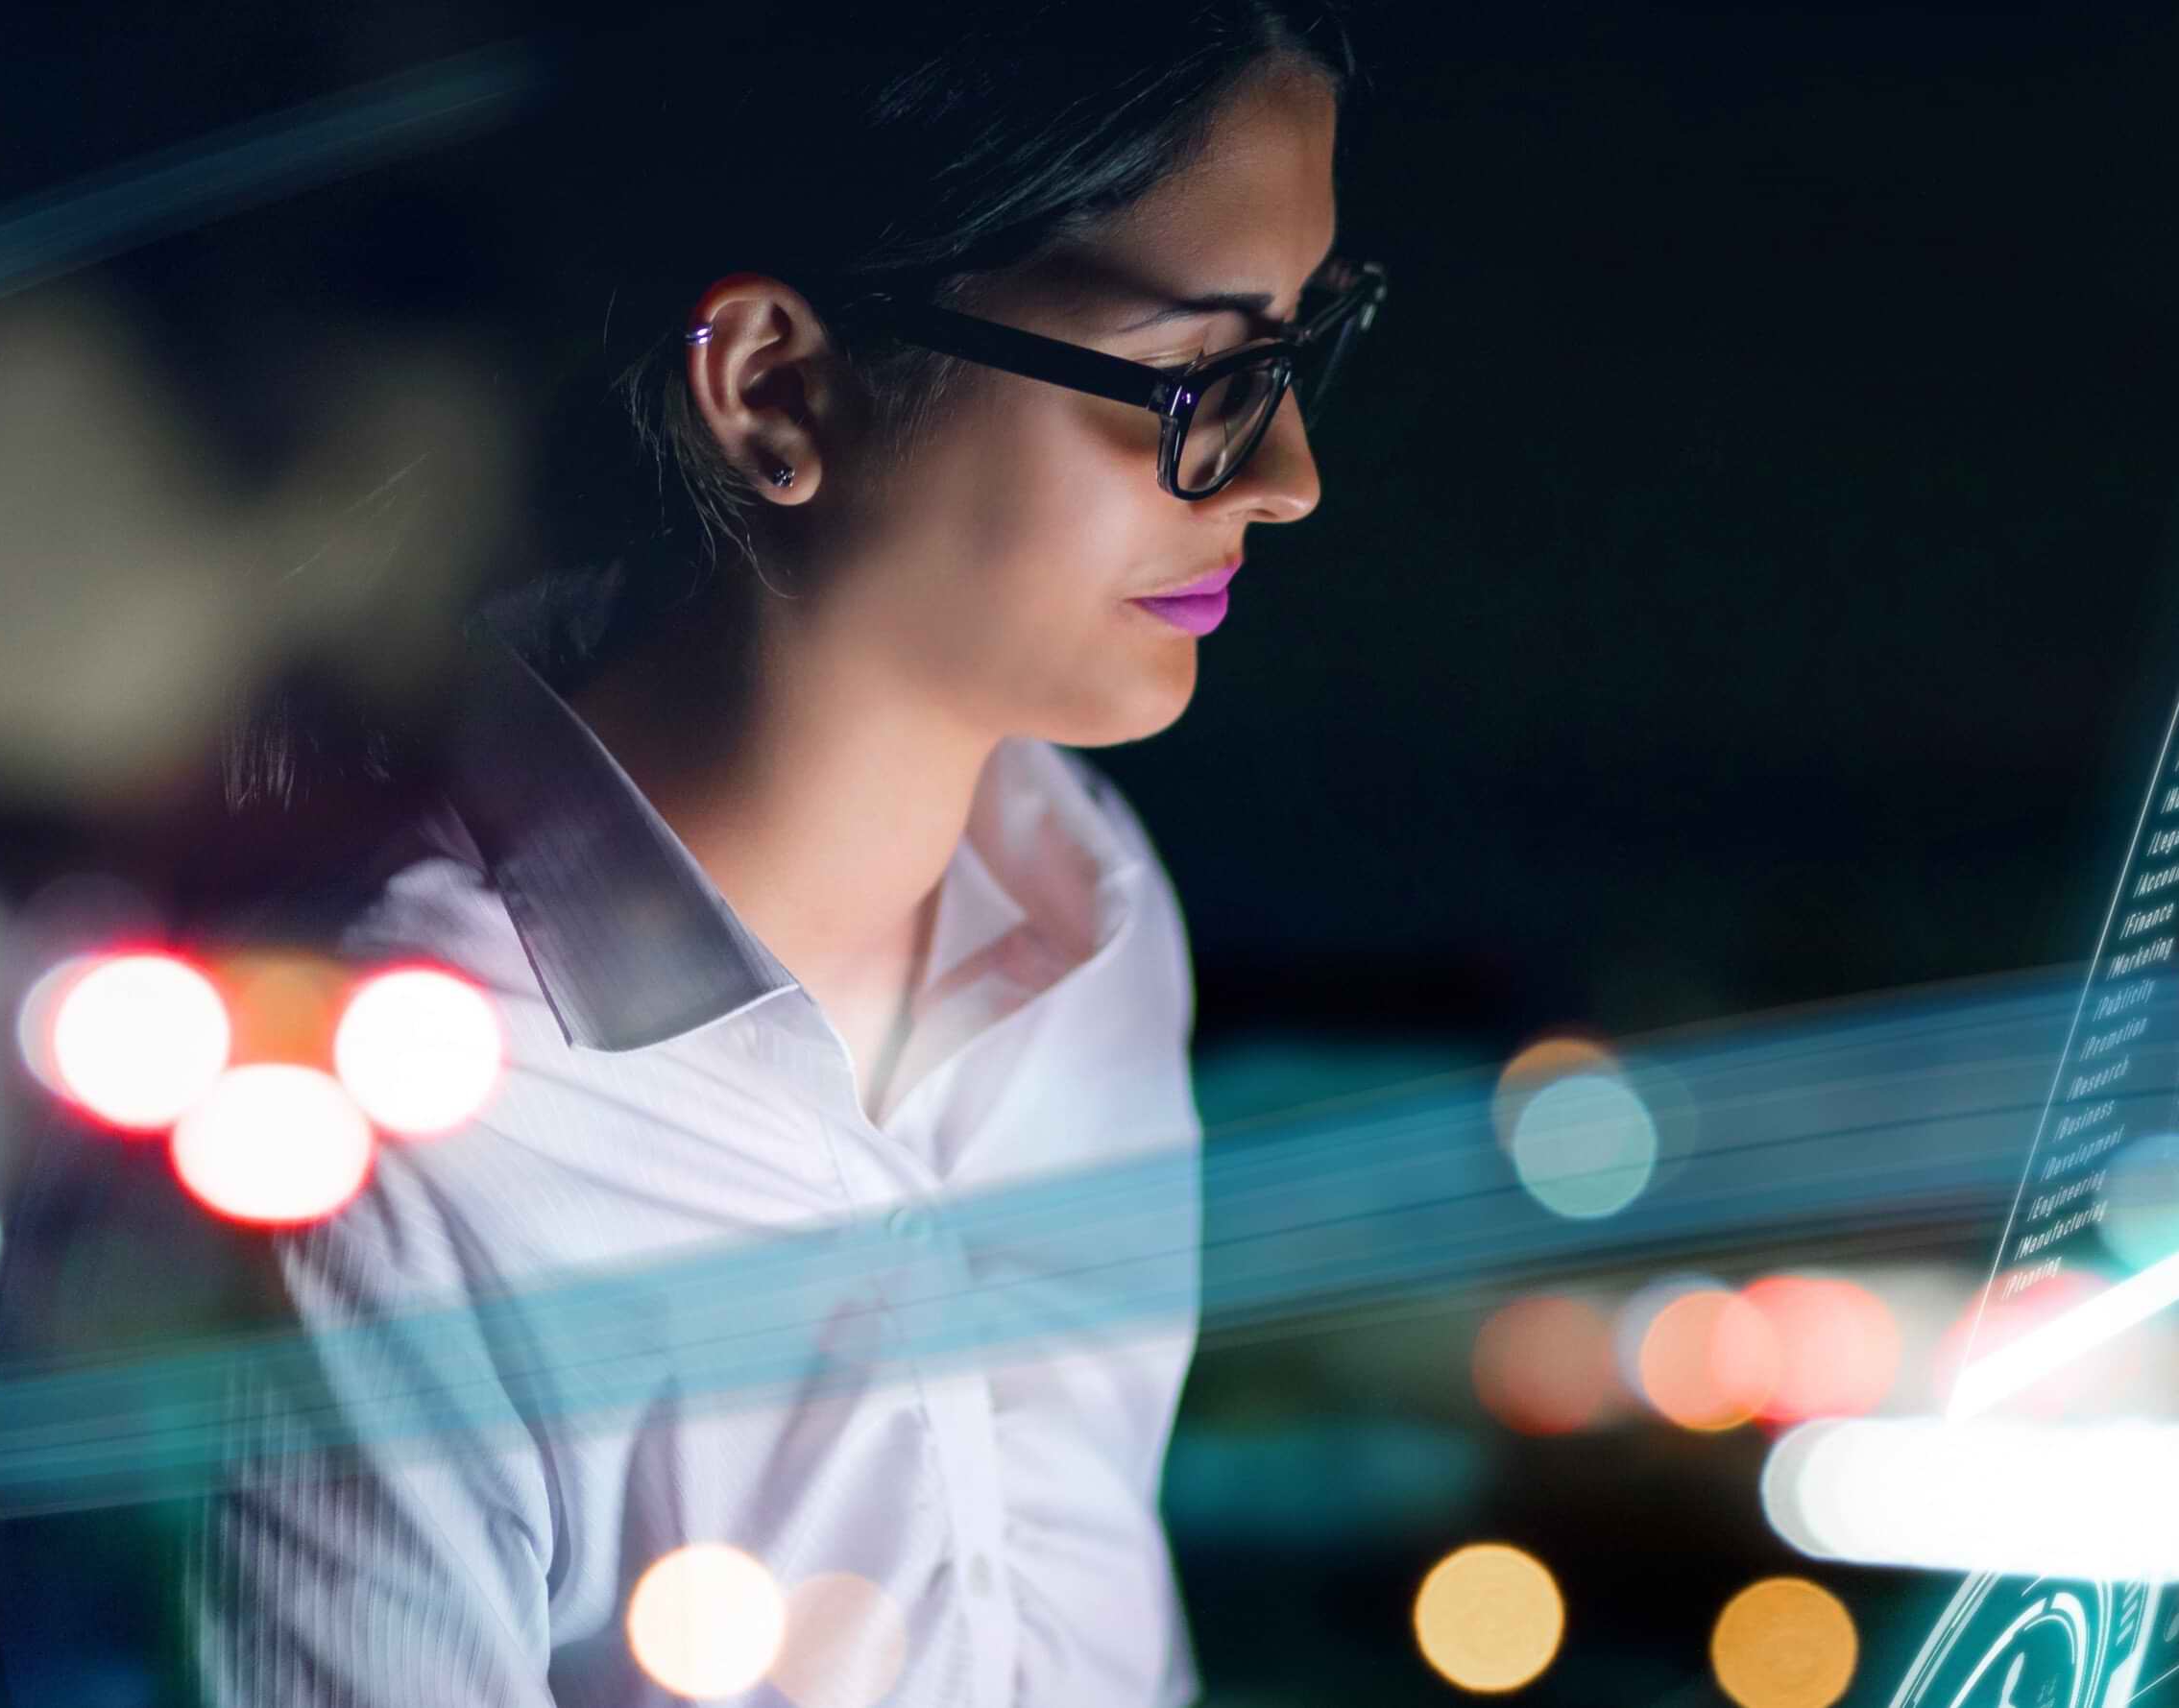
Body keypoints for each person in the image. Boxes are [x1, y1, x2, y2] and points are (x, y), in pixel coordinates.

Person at [194, 4, 1365, 1703]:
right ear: (772, 386)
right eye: (1199, 373)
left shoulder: (1095, 922)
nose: (1288, 477)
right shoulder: (402, 1112)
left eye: (1299, 351)